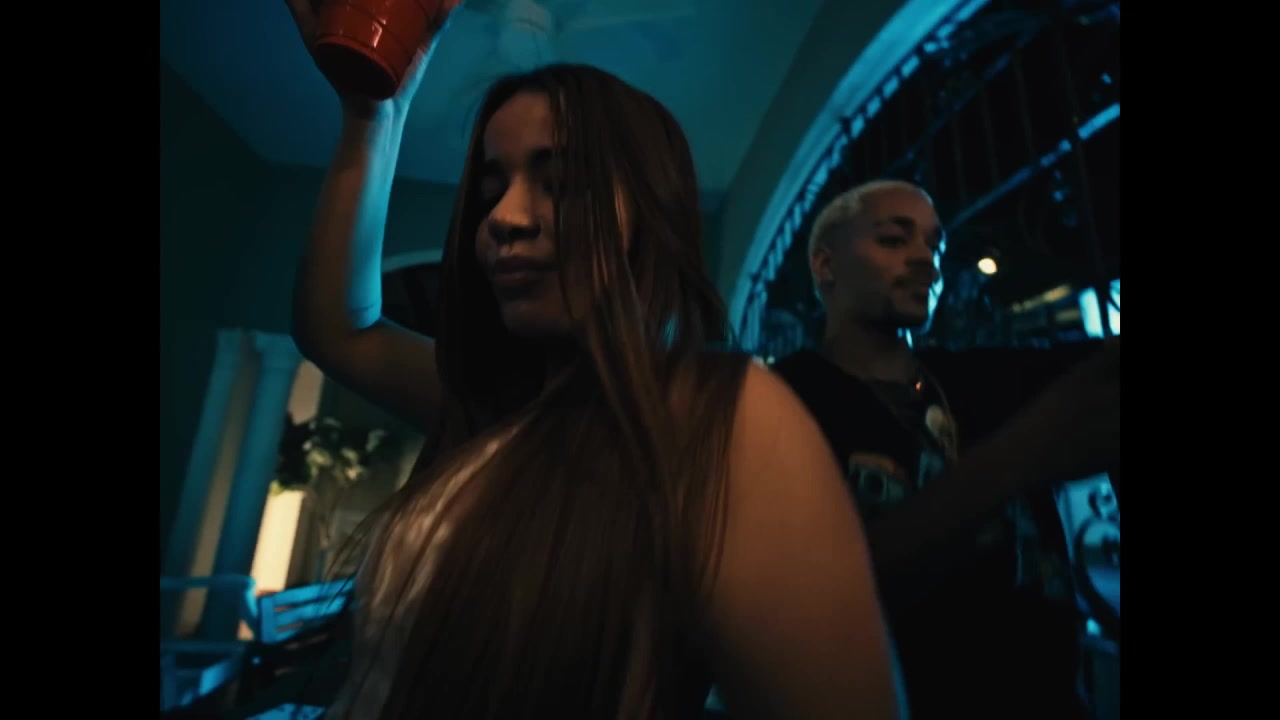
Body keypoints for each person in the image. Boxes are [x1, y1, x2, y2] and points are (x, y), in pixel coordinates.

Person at [280, 1, 905, 718]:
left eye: (561, 183)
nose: (503, 219)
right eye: (491, 188)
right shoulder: (500, 402)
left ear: (649, 211)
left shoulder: (719, 418)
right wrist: (373, 119)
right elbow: (337, 330)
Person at [770, 179, 1120, 719]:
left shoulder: (983, 378)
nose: (926, 262)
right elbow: (807, 598)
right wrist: (1015, 456)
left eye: (935, 245)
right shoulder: (784, 402)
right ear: (825, 264)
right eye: (893, 239)